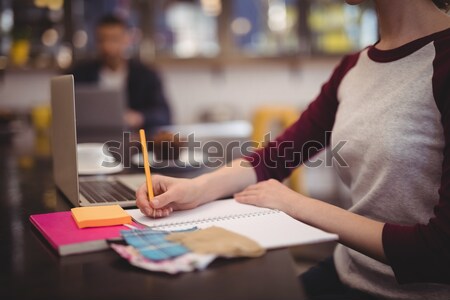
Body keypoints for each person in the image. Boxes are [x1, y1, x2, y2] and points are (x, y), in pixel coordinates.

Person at [136, 0, 450, 299]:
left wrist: (295, 204)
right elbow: (276, 156)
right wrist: (195, 188)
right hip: (351, 273)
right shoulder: (354, 67)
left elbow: (440, 253)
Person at [70, 14, 171, 130]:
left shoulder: (146, 75)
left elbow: (164, 115)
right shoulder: (79, 74)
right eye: (102, 40)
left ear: (126, 39)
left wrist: (138, 118)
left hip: (134, 141)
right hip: (92, 140)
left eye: (114, 39)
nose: (108, 46)